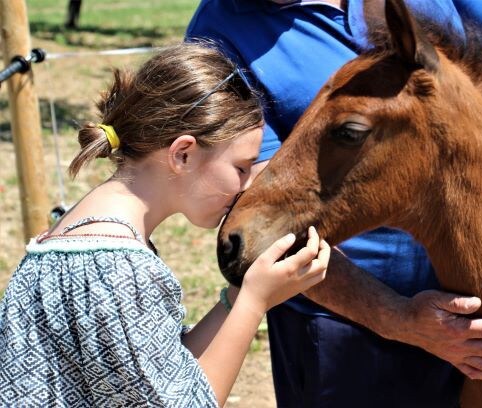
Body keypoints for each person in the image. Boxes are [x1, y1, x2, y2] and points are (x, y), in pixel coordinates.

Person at [186, 1, 482, 407]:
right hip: (346, 314)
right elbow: (264, 198)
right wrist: (397, 318)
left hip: (478, 287)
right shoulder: (219, 30)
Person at [0, 43, 330, 407]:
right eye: (240, 167)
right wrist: (253, 302)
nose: (247, 184)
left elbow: (166, 374)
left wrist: (241, 296)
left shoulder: (90, 234)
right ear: (183, 154)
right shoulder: (115, 269)